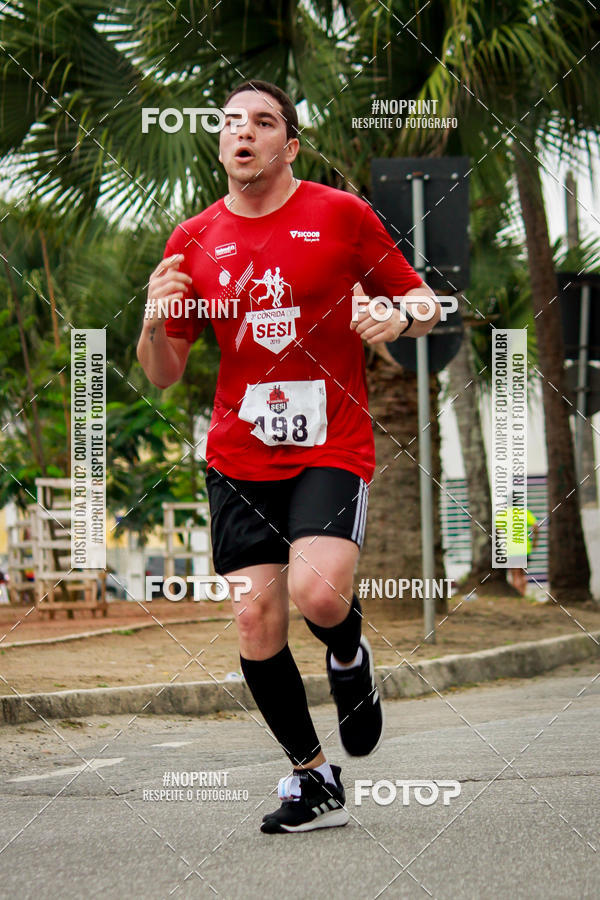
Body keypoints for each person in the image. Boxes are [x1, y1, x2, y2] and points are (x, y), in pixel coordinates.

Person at [137, 79, 440, 834]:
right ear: (221, 143)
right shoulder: (192, 241)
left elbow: (428, 301)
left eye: (262, 121)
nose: (243, 132)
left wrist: (394, 317)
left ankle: (347, 658)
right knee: (253, 618)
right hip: (239, 455)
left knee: (319, 597)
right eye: (231, 122)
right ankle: (313, 777)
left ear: (289, 144)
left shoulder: (340, 215)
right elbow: (163, 372)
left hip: (330, 443)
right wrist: (152, 316)